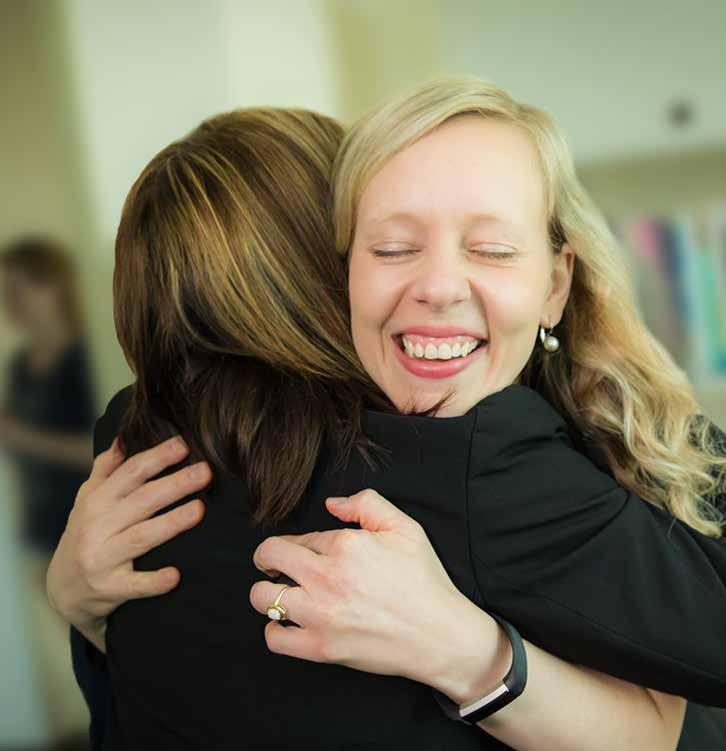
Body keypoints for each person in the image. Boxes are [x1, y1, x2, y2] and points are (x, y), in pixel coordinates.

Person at [48, 85, 725, 750]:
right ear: (330, 262)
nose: (436, 286)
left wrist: (77, 606)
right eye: (393, 244)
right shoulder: (461, 456)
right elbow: (672, 717)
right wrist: (617, 389)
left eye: (490, 248)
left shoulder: (125, 443)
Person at [0, 236, 97, 744]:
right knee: (83, 647)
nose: (11, 303)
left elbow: (101, 450)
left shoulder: (85, 358)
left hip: (84, 527)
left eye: (20, 289)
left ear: (55, 286)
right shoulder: (19, 366)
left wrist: (22, 438)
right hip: (41, 528)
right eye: (5, 292)